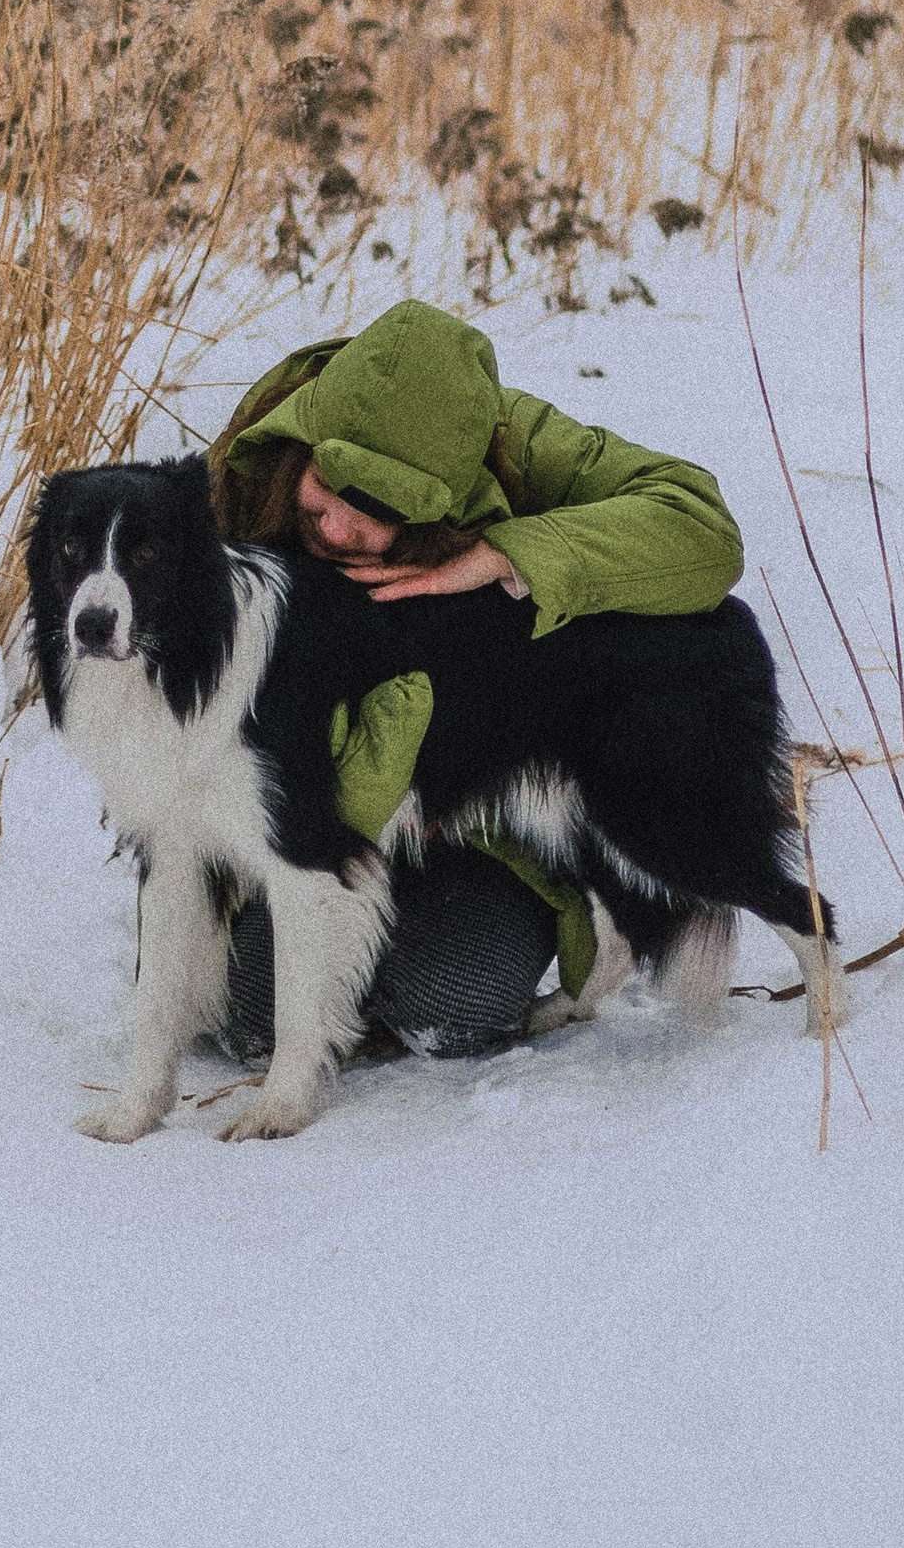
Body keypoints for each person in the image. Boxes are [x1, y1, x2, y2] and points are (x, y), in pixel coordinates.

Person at [200, 295, 745, 1060]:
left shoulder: (510, 440)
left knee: (455, 1005)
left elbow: (701, 532)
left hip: (476, 822)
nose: (333, 527)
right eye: (327, 486)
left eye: (375, 511)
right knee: (250, 1020)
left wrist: (514, 555)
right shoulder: (254, 460)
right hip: (301, 829)